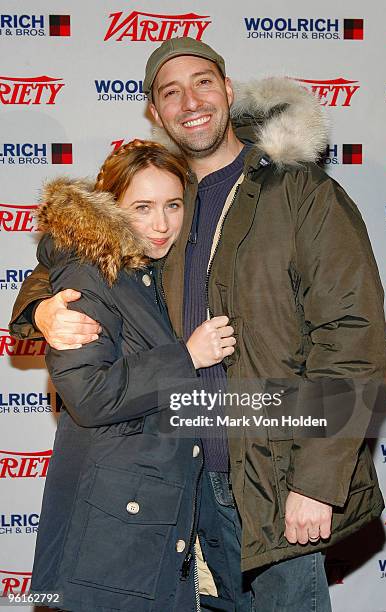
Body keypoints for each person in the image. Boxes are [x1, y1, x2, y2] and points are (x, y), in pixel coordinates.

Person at [10, 39, 386, 611]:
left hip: (278, 480)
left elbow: (352, 340)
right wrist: (39, 308)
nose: (191, 101)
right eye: (170, 92)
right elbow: (74, 247)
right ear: (155, 113)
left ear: (229, 92)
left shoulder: (300, 193)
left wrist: (318, 480)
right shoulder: (164, 195)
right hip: (184, 490)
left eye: (203, 82)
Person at [27, 139, 236, 612]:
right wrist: (187, 356)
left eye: (173, 205)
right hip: (113, 524)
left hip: (149, 514)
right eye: (142, 207)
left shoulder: (148, 268)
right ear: (110, 209)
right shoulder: (89, 274)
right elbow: (90, 395)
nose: (161, 224)